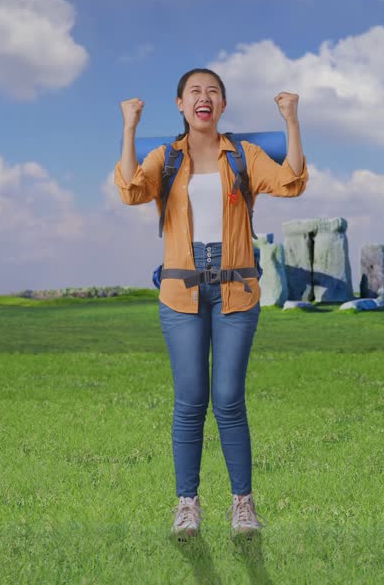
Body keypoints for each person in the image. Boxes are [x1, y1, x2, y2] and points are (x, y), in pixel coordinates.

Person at [114, 68, 308, 540]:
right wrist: (130, 128)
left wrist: (291, 121)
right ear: (180, 104)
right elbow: (129, 190)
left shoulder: (242, 155)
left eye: (213, 92)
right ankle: (187, 505)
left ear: (222, 105)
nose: (204, 98)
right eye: (195, 92)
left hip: (236, 290)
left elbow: (292, 182)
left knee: (227, 399)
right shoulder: (166, 158)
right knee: (190, 400)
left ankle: (242, 505)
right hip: (180, 292)